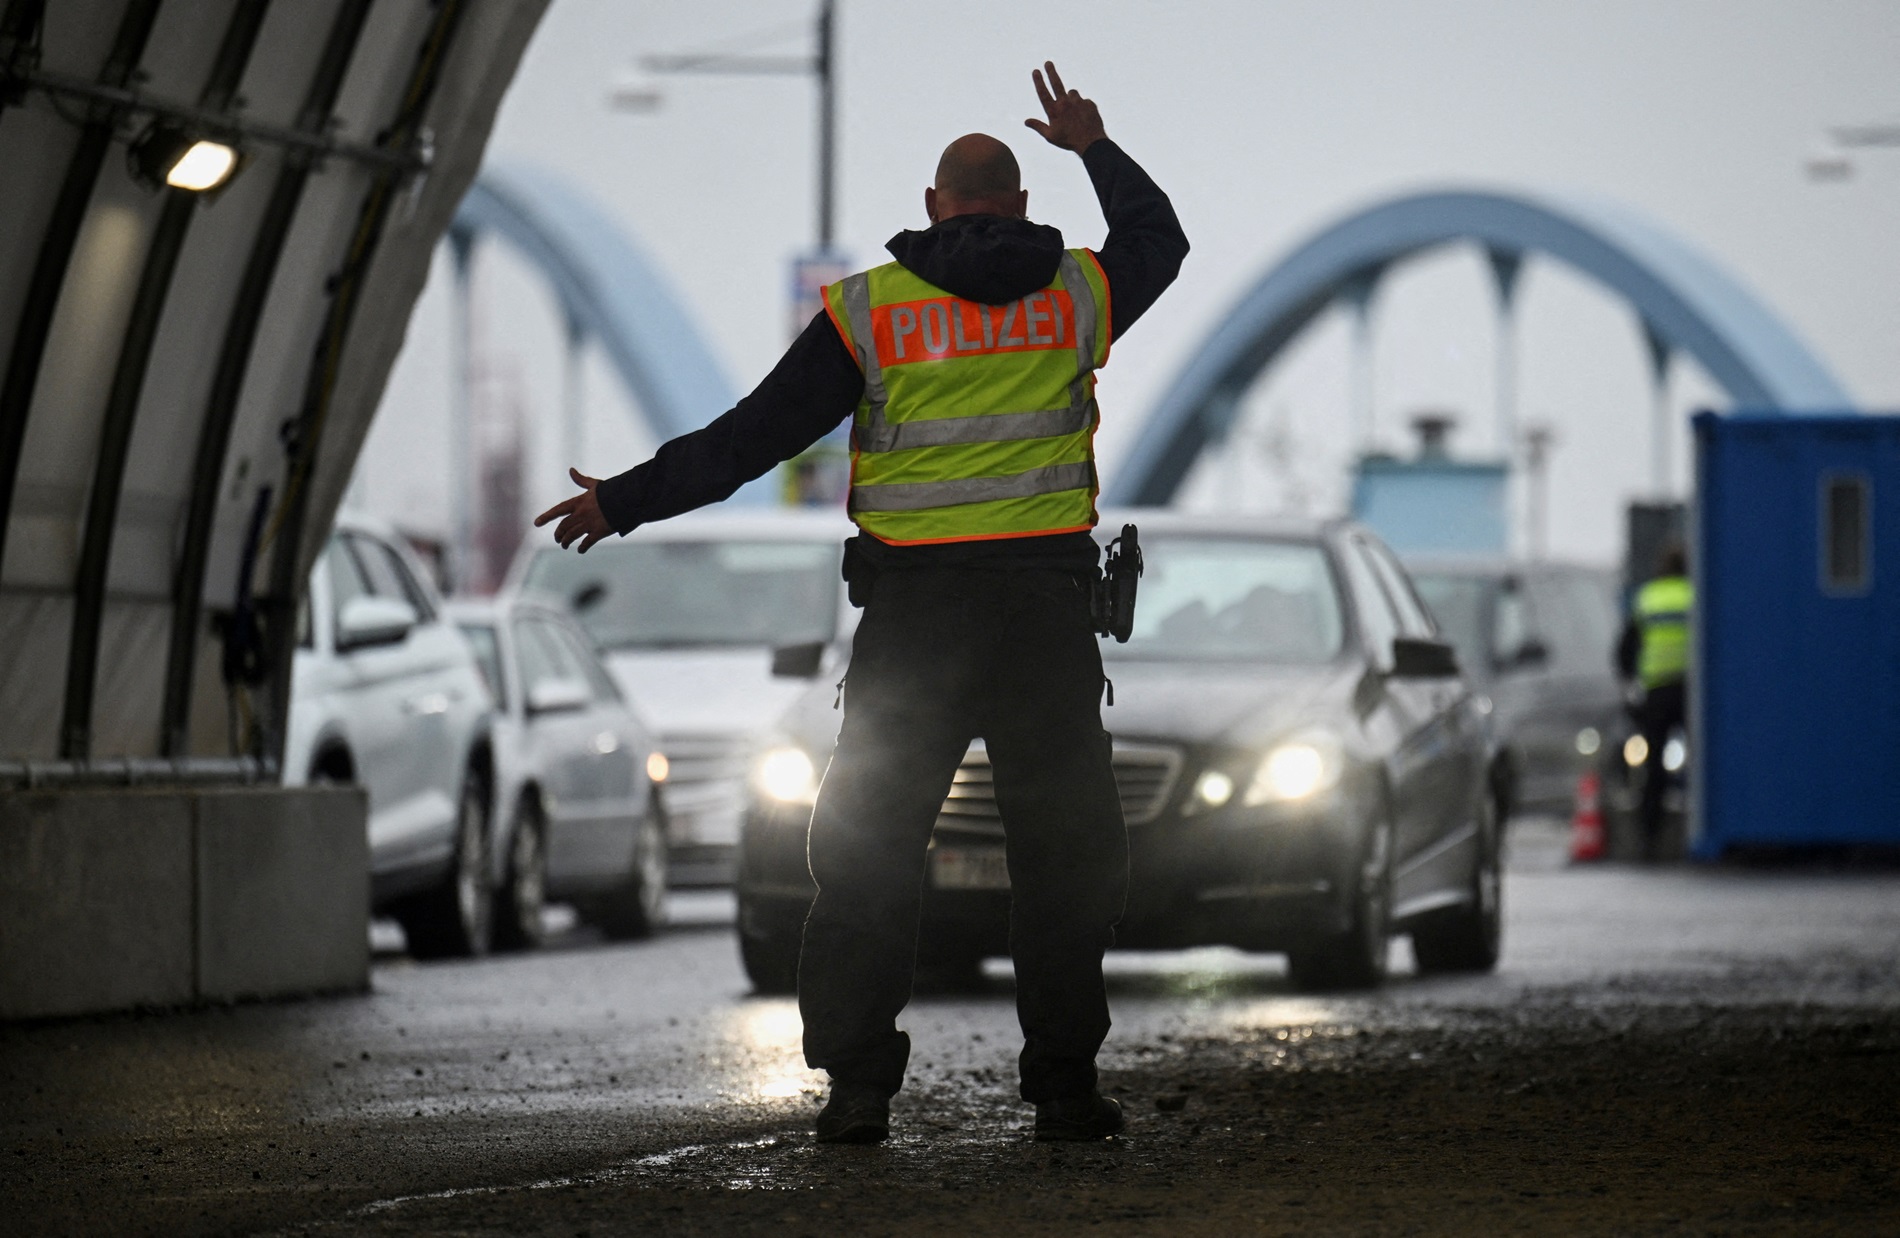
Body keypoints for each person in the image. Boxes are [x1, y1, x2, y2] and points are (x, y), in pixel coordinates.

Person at [535, 62, 1188, 1144]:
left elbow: (755, 436)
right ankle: (1065, 1085)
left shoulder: (870, 312)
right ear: (1020, 204)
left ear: (933, 206)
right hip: (1042, 622)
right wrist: (1094, 146)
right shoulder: (1080, 291)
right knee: (1064, 855)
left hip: (913, 628)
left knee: (869, 848)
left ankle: (859, 1087)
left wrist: (624, 500)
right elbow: (1159, 240)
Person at [1616, 542, 1692, 856]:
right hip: (1692, 692)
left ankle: (1650, 840)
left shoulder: (1647, 598)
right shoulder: (1695, 596)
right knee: (1702, 764)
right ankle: (1696, 831)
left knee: (1653, 768)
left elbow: (1624, 651)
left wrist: (1630, 686)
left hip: (1657, 691)